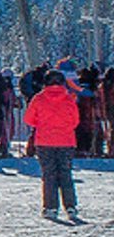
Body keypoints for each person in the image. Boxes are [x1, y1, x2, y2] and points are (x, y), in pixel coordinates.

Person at [24, 70, 85, 222]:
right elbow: (75, 121)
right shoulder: (69, 99)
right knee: (65, 173)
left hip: (44, 141)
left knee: (49, 174)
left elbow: (29, 119)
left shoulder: (39, 99)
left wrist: (43, 124)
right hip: (66, 141)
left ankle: (50, 207)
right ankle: (70, 206)